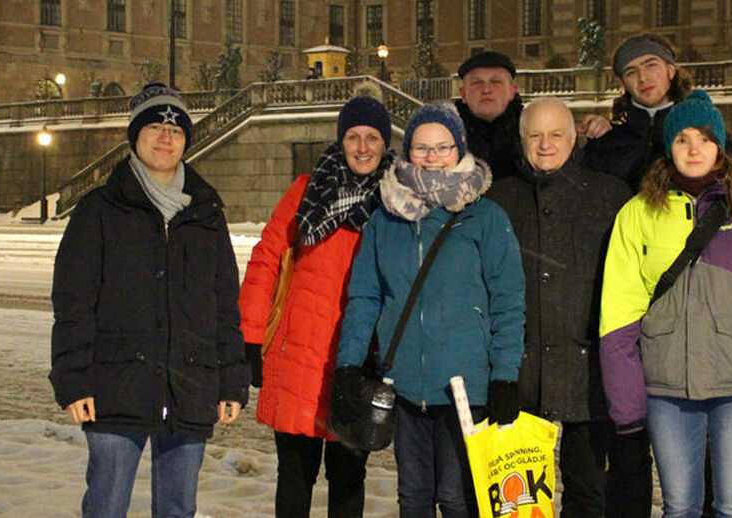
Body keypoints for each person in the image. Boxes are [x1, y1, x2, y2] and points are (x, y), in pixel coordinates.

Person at [49, 82, 248, 518]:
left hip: (189, 384)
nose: (165, 137)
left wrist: (232, 379)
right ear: (135, 136)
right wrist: (73, 380)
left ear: (185, 142)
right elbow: (74, 303)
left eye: (175, 131)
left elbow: (224, 304)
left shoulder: (205, 210)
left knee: (178, 508)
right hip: (115, 384)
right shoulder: (100, 209)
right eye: (155, 126)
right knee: (106, 506)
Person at [600, 90, 732, 518]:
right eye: (683, 139)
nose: (694, 149)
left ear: (720, 147)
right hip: (667, 389)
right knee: (680, 507)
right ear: (668, 147)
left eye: (705, 139)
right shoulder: (637, 214)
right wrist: (627, 402)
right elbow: (618, 313)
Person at [332, 102, 526, 518]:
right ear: (407, 153)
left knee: (457, 498)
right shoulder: (387, 218)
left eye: (443, 147)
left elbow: (509, 302)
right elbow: (366, 297)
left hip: (464, 389)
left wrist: (506, 376)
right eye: (422, 148)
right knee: (414, 496)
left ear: (460, 149)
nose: (433, 157)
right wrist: (348, 364)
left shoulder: (485, 217)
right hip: (404, 386)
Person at [238, 95, 395, 518]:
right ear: (341, 140)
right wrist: (251, 335)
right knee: (294, 473)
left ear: (385, 143)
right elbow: (267, 260)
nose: (363, 147)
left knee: (348, 478)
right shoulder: (308, 189)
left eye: (373, 137)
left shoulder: (398, 198)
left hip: (357, 359)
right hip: (299, 357)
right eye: (353, 137)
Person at [485, 99, 632, 518]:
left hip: (587, 374)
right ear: (522, 140)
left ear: (574, 139)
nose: (545, 144)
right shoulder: (500, 199)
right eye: (535, 135)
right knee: (518, 500)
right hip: (520, 373)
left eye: (555, 134)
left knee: (587, 490)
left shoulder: (609, 195)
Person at [584, 34, 732, 191]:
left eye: (651, 65)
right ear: (624, 84)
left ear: (671, 71)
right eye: (631, 72)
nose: (643, 78)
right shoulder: (607, 142)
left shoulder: (709, 133)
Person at [455, 51, 609, 182]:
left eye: (496, 82)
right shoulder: (446, 134)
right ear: (463, 93)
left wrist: (598, 134)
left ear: (512, 90)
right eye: (477, 83)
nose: (486, 89)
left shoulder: (536, 127)